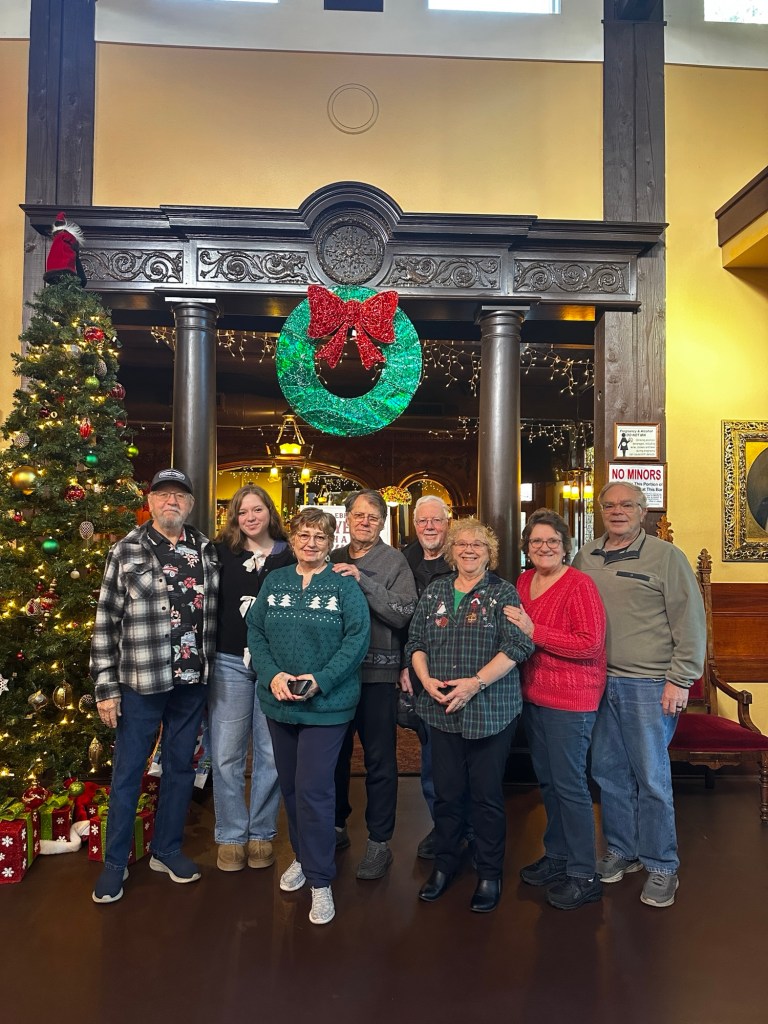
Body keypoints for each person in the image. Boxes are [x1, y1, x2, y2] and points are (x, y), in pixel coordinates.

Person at [573, 482, 706, 908]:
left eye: (627, 504)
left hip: (649, 685)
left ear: (643, 511)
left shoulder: (667, 557)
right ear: (600, 511)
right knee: (608, 773)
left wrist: (680, 680)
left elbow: (690, 621)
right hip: (598, 683)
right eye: (609, 505)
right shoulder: (585, 556)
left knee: (651, 778)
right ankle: (622, 850)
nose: (617, 511)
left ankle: (662, 864)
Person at [90, 468, 219, 904]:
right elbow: (105, 621)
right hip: (141, 681)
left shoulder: (206, 550)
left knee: (181, 768)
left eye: (179, 495)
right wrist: (106, 687)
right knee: (128, 772)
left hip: (191, 681)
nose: (171, 502)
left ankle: (167, 849)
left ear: (190, 504)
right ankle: (115, 862)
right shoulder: (125, 550)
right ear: (150, 502)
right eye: (163, 494)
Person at [247, 508, 370, 925]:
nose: (311, 543)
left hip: (327, 706)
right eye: (304, 535)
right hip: (280, 701)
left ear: (331, 542)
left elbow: (357, 639)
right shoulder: (275, 581)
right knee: (292, 787)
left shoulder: (344, 585)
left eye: (320, 537)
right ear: (293, 539)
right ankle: (303, 856)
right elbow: (256, 631)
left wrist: (321, 679)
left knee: (314, 788)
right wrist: (272, 674)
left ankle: (320, 881)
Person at [406, 518, 534, 913]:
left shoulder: (502, 592)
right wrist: (424, 678)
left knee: (486, 796)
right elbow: (416, 640)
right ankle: (444, 865)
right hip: (440, 708)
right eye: (461, 544)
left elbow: (518, 645)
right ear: (451, 551)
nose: (469, 550)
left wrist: (475, 683)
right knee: (447, 793)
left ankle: (489, 872)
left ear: (489, 552)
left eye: (477, 544)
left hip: (490, 710)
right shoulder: (436, 590)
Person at [503, 509, 607, 910]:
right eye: (536, 541)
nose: (544, 547)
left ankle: (584, 874)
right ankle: (559, 855)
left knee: (570, 786)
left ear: (565, 547)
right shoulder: (524, 581)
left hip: (571, 700)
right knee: (547, 782)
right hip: (534, 696)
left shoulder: (580, 585)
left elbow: (590, 644)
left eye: (552, 541)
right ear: (526, 548)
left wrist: (535, 631)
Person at [331, 490, 417, 880]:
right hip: (335, 677)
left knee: (380, 760)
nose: (365, 522)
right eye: (358, 515)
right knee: (334, 756)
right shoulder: (331, 557)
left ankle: (379, 842)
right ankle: (336, 825)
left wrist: (362, 580)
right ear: (347, 518)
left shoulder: (394, 561)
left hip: (377, 677)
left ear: (382, 522)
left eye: (373, 517)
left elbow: (403, 613)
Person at [209, 485, 295, 873]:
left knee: (270, 754)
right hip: (229, 662)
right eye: (242, 512)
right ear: (234, 518)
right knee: (226, 752)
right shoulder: (221, 553)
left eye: (257, 510)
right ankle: (230, 835)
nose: (250, 518)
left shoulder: (290, 555)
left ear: (270, 512)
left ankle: (261, 833)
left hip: (275, 668)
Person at [401, 495, 453, 859]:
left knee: (461, 756)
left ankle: (465, 827)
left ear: (448, 524)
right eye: (423, 521)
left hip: (461, 668)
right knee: (431, 755)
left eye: (436, 520)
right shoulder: (404, 561)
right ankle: (442, 828)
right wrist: (404, 664)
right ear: (415, 525)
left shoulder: (462, 556)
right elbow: (398, 618)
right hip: (420, 671)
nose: (430, 527)